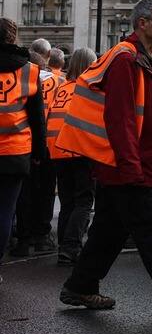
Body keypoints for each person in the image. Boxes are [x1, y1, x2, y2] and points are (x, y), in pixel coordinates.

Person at [58, 0, 152, 313]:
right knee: (150, 227)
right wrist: (131, 165)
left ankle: (79, 286)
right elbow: (121, 118)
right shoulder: (126, 60)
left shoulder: (148, 60)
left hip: (132, 162)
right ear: (142, 23)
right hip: (128, 163)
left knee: (108, 230)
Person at [0, 19, 48, 281]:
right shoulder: (29, 71)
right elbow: (37, 118)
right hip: (15, 151)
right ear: (13, 38)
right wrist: (40, 153)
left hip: (14, 151)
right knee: (6, 210)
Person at [46, 48, 98, 266]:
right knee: (84, 201)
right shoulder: (89, 88)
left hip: (57, 149)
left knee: (67, 201)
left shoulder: (62, 88)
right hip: (79, 149)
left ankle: (63, 247)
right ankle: (71, 247)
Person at [12, 39, 57, 258]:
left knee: (23, 194)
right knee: (46, 192)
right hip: (46, 143)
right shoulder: (57, 81)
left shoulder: (19, 78)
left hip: (22, 144)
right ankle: (42, 236)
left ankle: (22, 238)